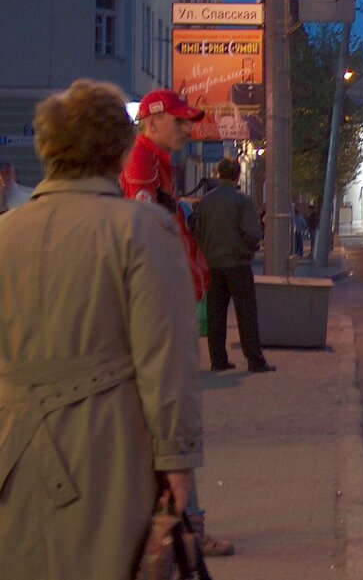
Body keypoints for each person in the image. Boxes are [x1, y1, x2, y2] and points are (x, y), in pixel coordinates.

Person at [0, 79, 202, 579]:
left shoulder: (5, 235)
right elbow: (166, 359)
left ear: (48, 148)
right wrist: (177, 458)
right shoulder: (140, 230)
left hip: (10, 451)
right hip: (105, 448)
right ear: (120, 149)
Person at [121, 87, 235, 558]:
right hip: (159, 313)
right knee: (172, 427)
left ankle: (179, 524)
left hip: (169, 305)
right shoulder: (141, 164)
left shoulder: (158, 164)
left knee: (171, 429)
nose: (189, 130)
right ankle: (183, 528)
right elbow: (149, 236)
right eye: (181, 122)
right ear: (153, 122)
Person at [192, 158, 274, 373]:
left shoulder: (206, 201)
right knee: (246, 312)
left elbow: (198, 232)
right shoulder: (242, 200)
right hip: (238, 263)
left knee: (216, 313)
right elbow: (253, 233)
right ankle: (254, 360)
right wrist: (248, 248)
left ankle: (218, 360)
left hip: (213, 264)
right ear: (237, 176)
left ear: (219, 175)